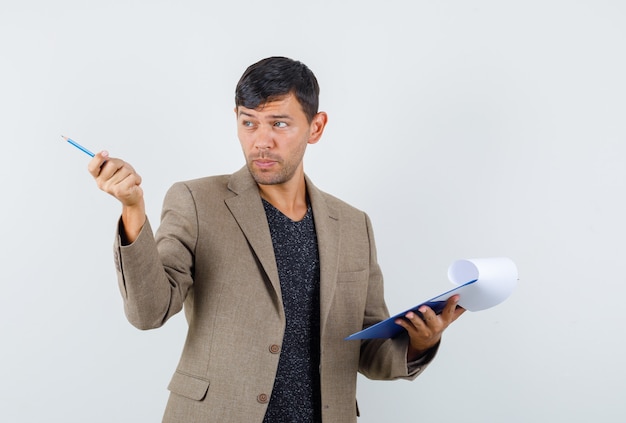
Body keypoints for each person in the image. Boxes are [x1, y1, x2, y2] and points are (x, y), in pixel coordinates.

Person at [88, 56, 465, 423]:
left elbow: (366, 350)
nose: (261, 141)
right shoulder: (197, 202)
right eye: (248, 123)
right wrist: (133, 209)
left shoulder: (353, 225)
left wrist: (421, 342)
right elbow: (148, 311)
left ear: (315, 128)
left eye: (279, 124)